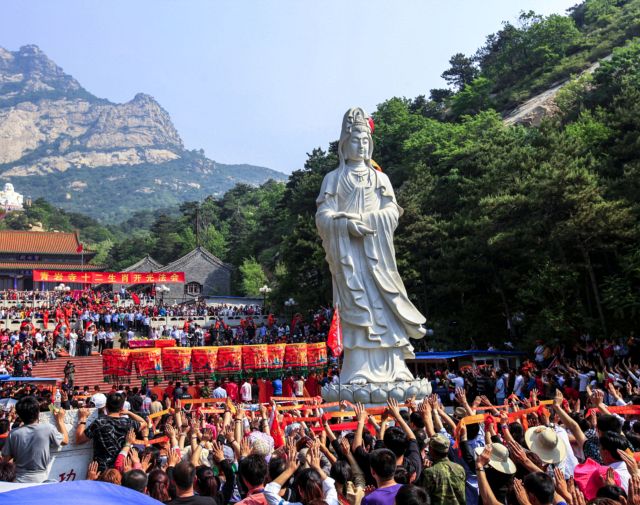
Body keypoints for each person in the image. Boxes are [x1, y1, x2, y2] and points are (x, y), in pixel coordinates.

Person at [315, 107, 426, 384]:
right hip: (350, 257)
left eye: (365, 140)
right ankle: (358, 368)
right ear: (344, 144)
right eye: (355, 140)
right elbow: (323, 216)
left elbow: (392, 212)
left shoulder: (380, 178)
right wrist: (345, 225)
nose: (361, 145)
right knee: (357, 306)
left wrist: (372, 221)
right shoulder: (334, 179)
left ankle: (396, 365)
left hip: (378, 257)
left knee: (386, 305)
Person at [1, 396, 68, 482]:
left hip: (18, 480)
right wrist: (60, 421)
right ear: (38, 412)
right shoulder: (48, 428)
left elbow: (6, 459)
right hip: (40, 479)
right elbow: (65, 440)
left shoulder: (13, 434)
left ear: (19, 416)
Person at [75, 392, 147, 471]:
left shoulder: (99, 422)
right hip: (122, 468)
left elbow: (79, 439)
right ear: (122, 407)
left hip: (101, 470)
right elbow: (144, 423)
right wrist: (129, 412)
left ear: (106, 406)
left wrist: (83, 418)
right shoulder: (128, 423)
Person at [418, 434, 465, 505]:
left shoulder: (430, 472)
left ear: (431, 450)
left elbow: (422, 497)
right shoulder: (460, 468)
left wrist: (423, 471)